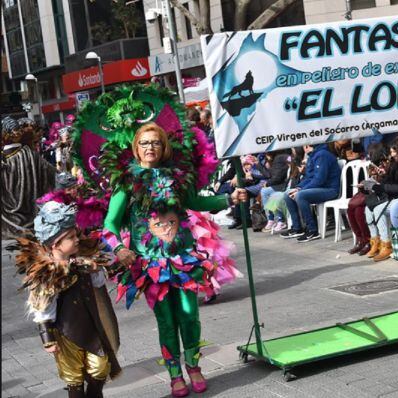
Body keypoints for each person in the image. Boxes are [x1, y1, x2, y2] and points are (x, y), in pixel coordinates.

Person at [103, 123, 246, 397]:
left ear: (164, 146)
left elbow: (196, 202)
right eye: (144, 143)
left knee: (190, 316)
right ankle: (174, 374)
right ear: (136, 147)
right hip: (151, 266)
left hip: (183, 260)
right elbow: (109, 221)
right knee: (167, 321)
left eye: (155, 142)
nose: (150, 148)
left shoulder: (178, 176)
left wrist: (228, 198)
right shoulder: (127, 180)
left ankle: (193, 366)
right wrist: (119, 248)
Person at [10, 201, 121, 398]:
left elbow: (98, 281)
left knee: (100, 368)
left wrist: (96, 267)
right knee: (73, 376)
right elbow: (42, 307)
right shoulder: (48, 273)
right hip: (66, 332)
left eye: (75, 234)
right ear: (55, 244)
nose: (76, 239)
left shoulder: (84, 258)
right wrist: (47, 338)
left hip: (92, 325)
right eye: (70, 237)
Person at [2, 116, 56, 238]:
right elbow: (54, 174)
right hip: (34, 217)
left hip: (9, 222)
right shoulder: (31, 154)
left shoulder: (4, 160)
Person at [281, 143, 341, 242]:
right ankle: (297, 228)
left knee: (301, 195)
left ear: (307, 146)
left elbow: (319, 180)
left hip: (330, 189)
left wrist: (301, 190)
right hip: (320, 188)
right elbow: (309, 178)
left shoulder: (322, 155)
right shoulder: (313, 155)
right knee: (288, 193)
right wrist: (298, 187)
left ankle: (312, 230)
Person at [363, 137, 398, 262]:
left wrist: (381, 186)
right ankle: (375, 241)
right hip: (390, 196)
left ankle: (386, 244)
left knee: (378, 210)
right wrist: (382, 176)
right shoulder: (393, 163)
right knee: (368, 209)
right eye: (391, 152)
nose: (392, 155)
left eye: (394, 152)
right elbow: (388, 183)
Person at [260, 150, 291, 232]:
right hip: (279, 184)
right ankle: (274, 219)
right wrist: (258, 164)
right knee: (266, 192)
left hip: (283, 185)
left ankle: (276, 219)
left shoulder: (279, 157)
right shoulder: (274, 160)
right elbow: (269, 175)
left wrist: (267, 183)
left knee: (266, 192)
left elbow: (276, 178)